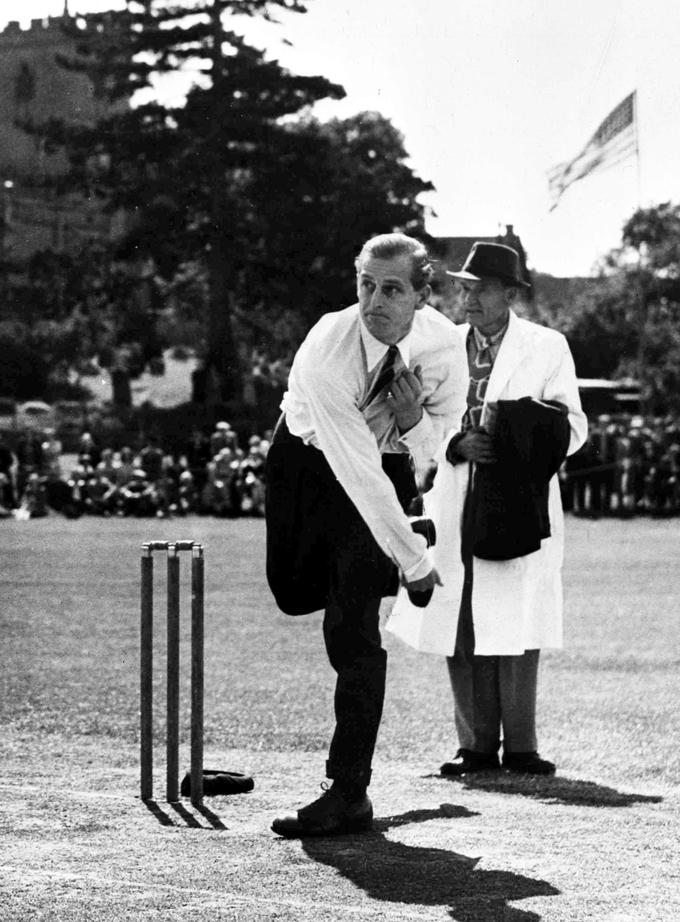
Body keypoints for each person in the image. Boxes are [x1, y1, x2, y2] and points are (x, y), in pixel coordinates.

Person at [265, 232, 468, 837]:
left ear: (422, 296)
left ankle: (348, 789)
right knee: (295, 592)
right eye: (366, 285)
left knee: (350, 629)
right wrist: (413, 558)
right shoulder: (328, 350)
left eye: (393, 289)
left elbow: (436, 449)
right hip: (306, 460)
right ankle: (403, 546)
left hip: (384, 464)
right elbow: (352, 472)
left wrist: (413, 423)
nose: (374, 302)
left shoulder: (443, 347)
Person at [388, 241, 587, 777]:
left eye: (478, 289)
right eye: (463, 287)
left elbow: (572, 427)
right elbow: (412, 418)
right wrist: (452, 445)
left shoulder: (547, 346)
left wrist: (514, 434)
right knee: (460, 617)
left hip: (517, 497)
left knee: (518, 615)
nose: (466, 297)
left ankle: (520, 746)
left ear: (507, 293)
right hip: (452, 495)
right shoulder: (439, 345)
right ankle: (474, 744)